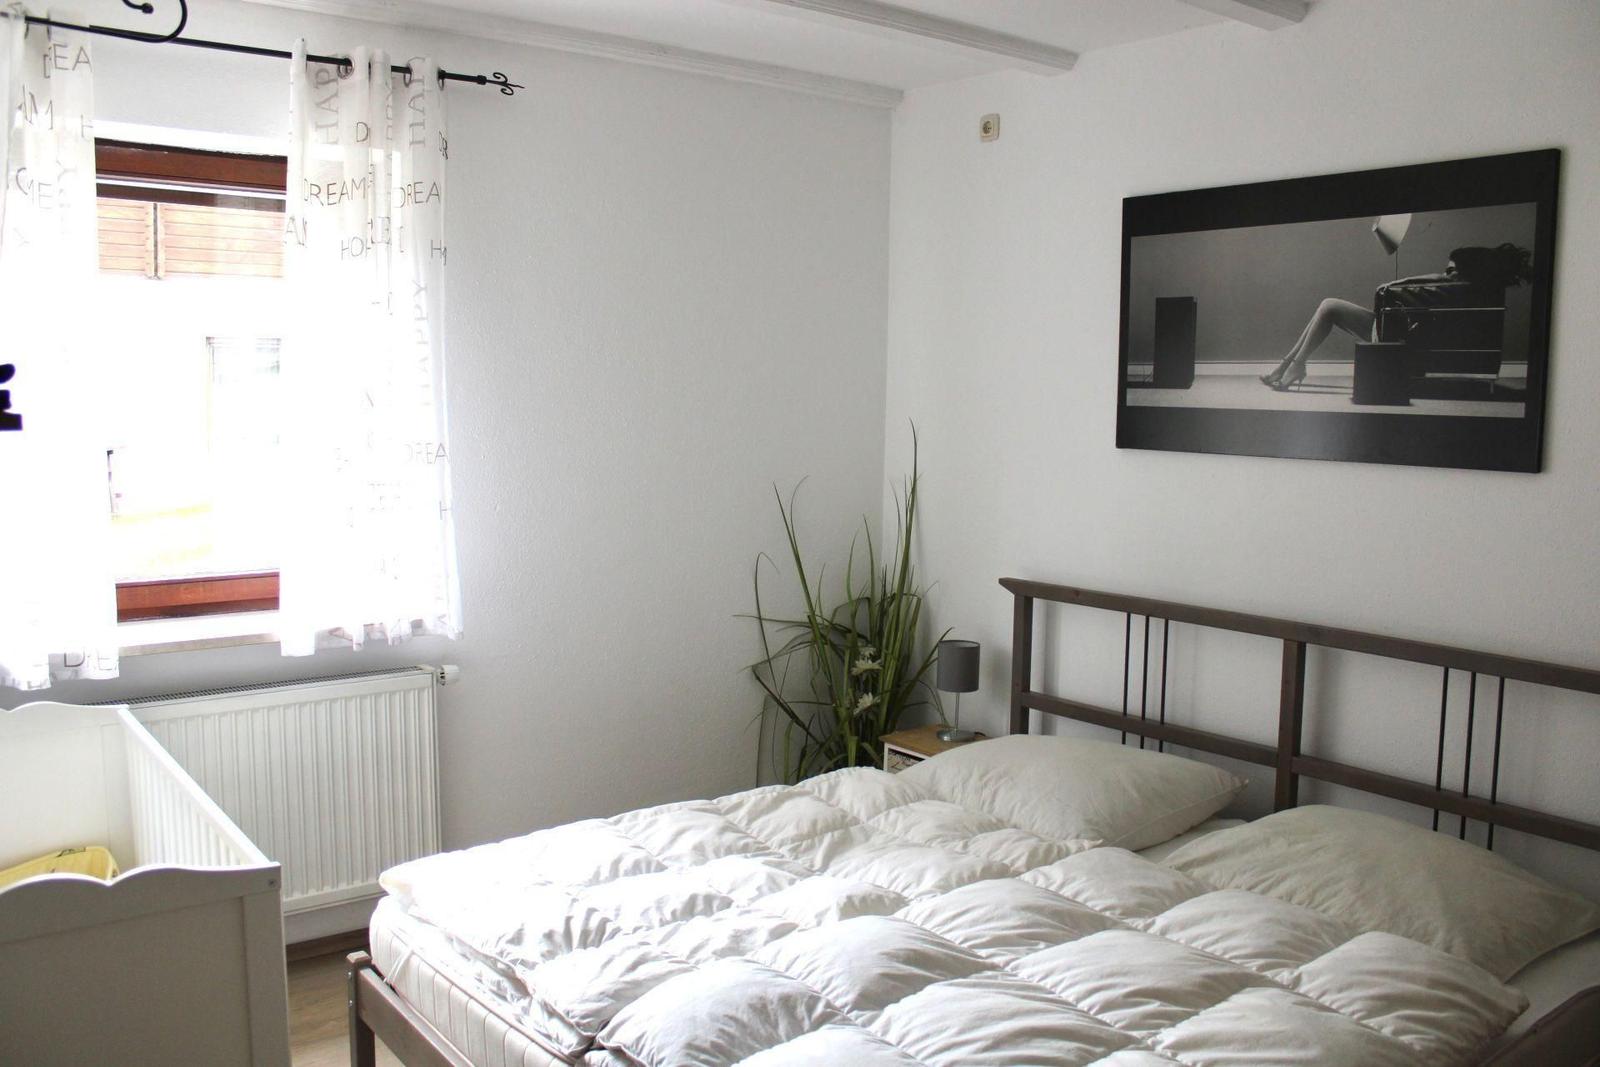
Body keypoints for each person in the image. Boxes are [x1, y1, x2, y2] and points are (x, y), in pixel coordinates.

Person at [1259, 243, 1533, 390]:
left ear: (1465, 272)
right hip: (1407, 341)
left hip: (1398, 346)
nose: (1445, 274)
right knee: (1327, 306)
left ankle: (1292, 366)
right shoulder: (1472, 292)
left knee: (1329, 306)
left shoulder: (1454, 289)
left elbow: (1387, 289)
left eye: (1451, 270)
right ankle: (1289, 365)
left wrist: (1424, 278)